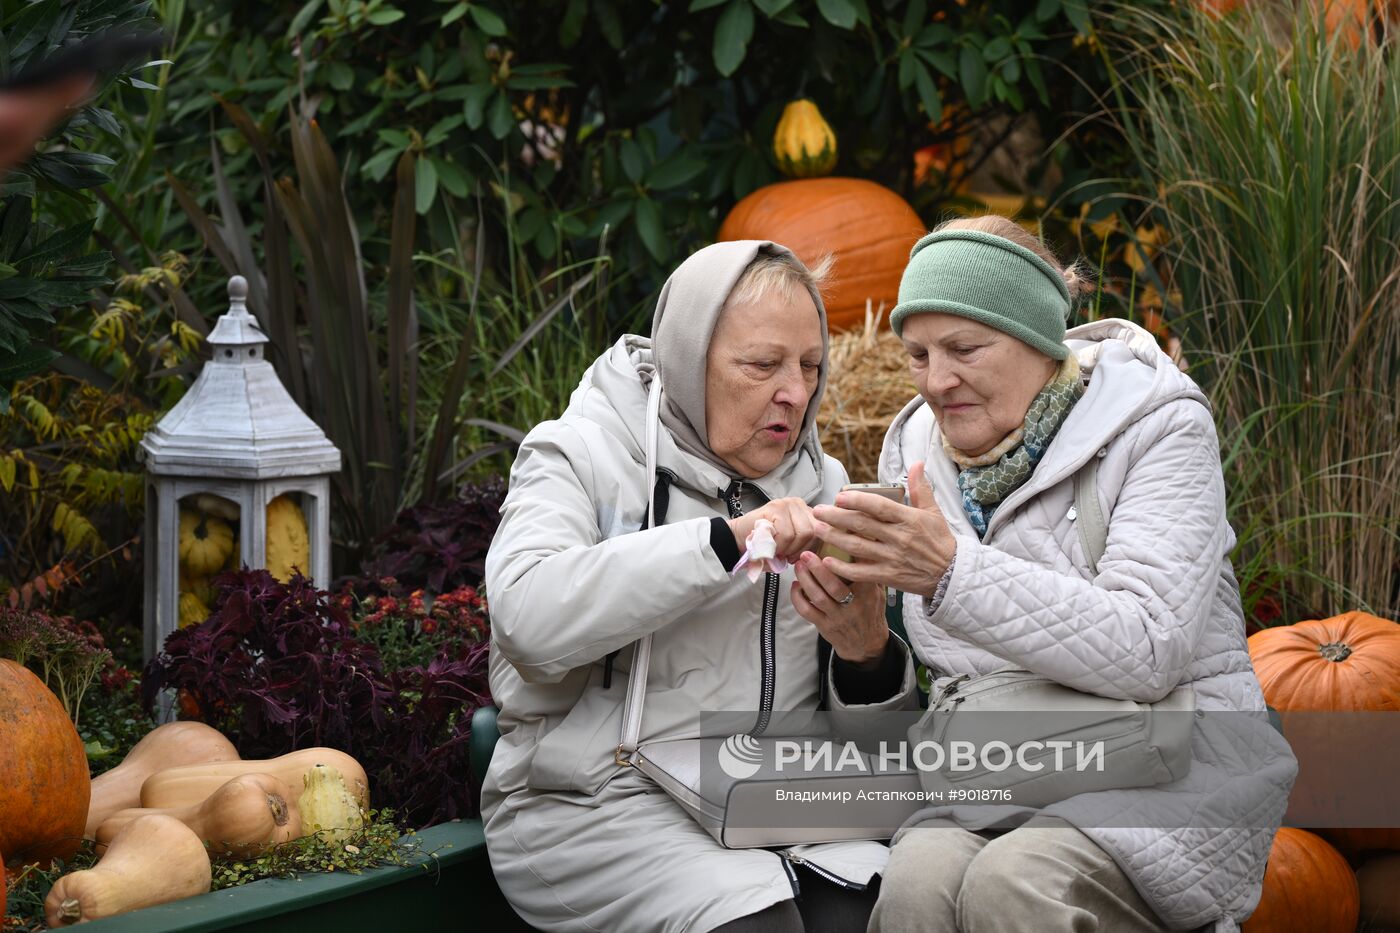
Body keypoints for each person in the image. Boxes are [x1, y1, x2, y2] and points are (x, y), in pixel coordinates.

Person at [805, 216, 1297, 933]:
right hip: (999, 767)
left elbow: (1152, 645)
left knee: (1014, 883)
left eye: (964, 347)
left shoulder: (1160, 425)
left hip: (1166, 764)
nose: (937, 381)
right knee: (914, 887)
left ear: (1039, 339)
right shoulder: (912, 451)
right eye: (916, 354)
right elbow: (946, 703)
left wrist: (950, 572)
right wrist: (864, 654)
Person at [482, 240, 921, 933]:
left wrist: (866, 655)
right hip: (595, 798)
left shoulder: (825, 486)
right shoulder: (580, 454)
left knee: (883, 910)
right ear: (687, 359)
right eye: (762, 364)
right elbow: (527, 618)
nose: (796, 392)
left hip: (771, 790)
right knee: (755, 925)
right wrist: (727, 539)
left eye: (810, 366)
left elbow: (871, 743)